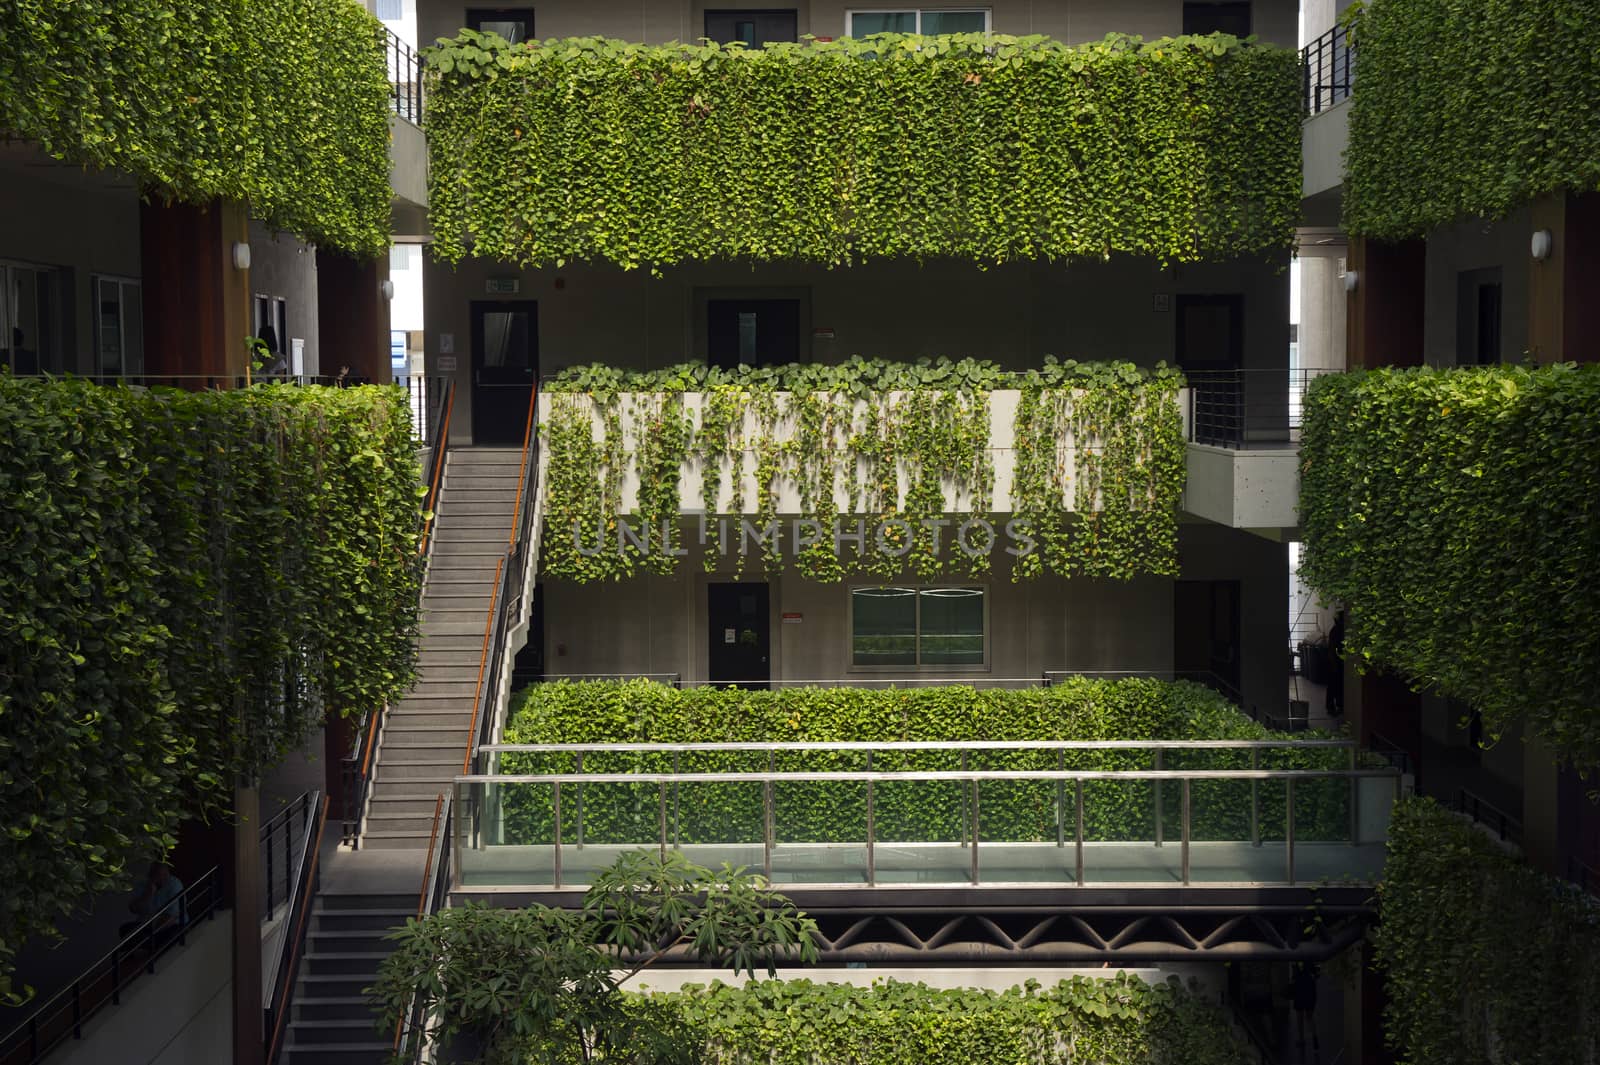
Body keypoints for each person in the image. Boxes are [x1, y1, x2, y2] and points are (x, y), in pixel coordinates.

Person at [120, 862, 185, 940]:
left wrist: (154, 931)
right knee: (125, 929)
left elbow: (172, 915)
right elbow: (133, 908)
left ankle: (146, 946)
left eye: (165, 875)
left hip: (171, 925)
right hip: (147, 924)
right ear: (151, 875)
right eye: (159, 875)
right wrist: (147, 894)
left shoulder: (174, 884)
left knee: (170, 935)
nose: (163, 879)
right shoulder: (143, 885)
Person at [1290, 961, 1321, 1061]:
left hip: (1299, 989)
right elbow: (1317, 974)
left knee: (1299, 1016)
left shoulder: (1296, 958)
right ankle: (1314, 1037)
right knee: (1309, 1016)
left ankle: (1301, 1039)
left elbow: (1294, 976)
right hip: (1310, 990)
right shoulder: (1312, 956)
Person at [1326, 612, 1346, 716]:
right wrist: (1333, 662)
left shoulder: (1336, 630)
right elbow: (1332, 648)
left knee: (1335, 685)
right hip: (1336, 661)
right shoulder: (1337, 631)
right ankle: (1332, 706)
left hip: (1337, 661)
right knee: (1334, 685)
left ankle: (1336, 705)